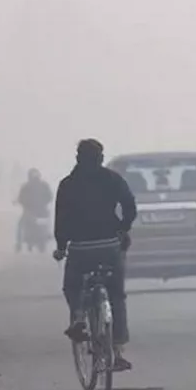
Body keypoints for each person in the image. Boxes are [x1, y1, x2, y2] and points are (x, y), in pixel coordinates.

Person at [53, 139, 138, 372]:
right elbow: (130, 206)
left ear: (77, 158)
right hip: (110, 245)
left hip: (80, 248)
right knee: (117, 295)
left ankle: (79, 318)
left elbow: (61, 220)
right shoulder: (112, 180)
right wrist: (122, 228)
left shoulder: (67, 184)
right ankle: (118, 349)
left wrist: (61, 247)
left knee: (72, 287)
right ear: (101, 158)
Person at [15, 168, 52, 251]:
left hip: (30, 212)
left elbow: (21, 199)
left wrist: (25, 204)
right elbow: (49, 197)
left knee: (20, 226)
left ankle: (18, 244)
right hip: (42, 211)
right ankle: (48, 234)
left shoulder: (26, 186)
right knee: (47, 221)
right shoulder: (44, 185)